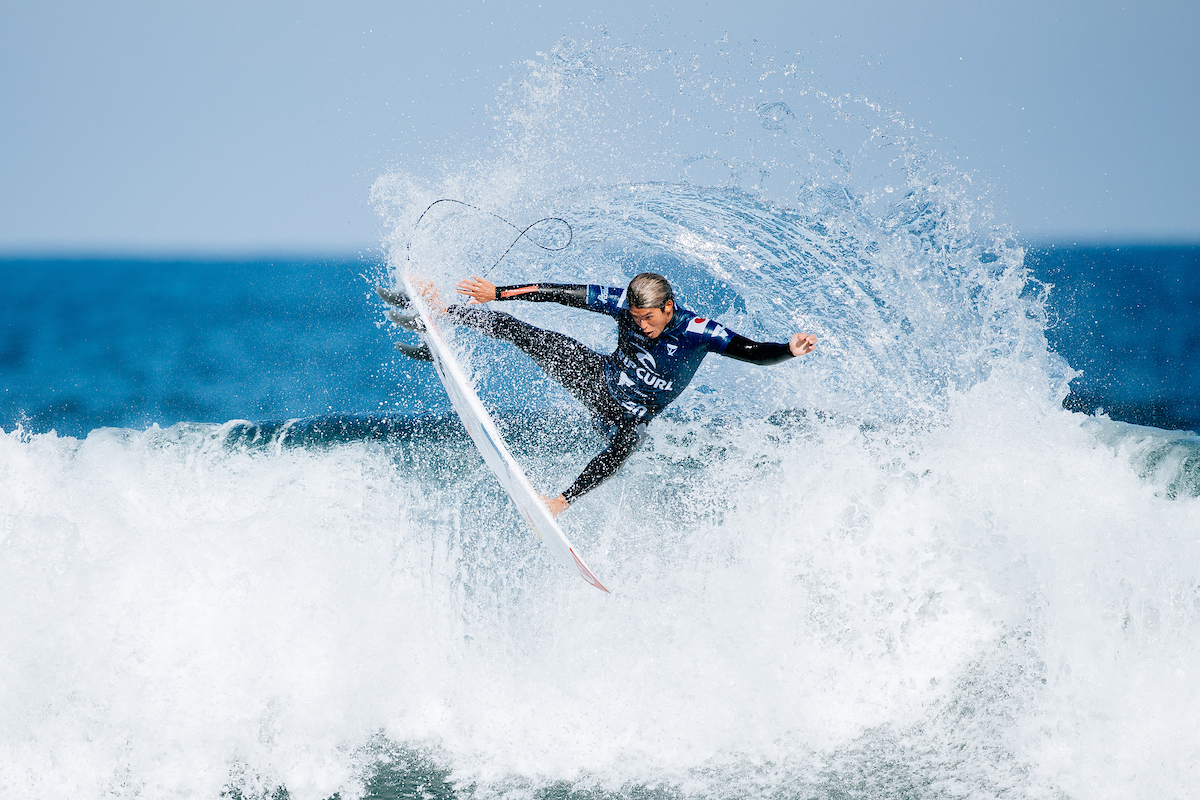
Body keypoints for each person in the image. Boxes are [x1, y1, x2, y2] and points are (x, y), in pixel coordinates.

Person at [393, 272, 816, 517]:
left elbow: (754, 353)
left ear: (669, 307)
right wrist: (498, 293)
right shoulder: (624, 306)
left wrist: (788, 351)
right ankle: (441, 313)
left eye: (649, 318)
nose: (642, 326)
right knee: (531, 336)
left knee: (626, 444)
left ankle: (559, 502)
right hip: (600, 380)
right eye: (636, 318)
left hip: (632, 414)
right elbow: (560, 294)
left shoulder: (699, 331)